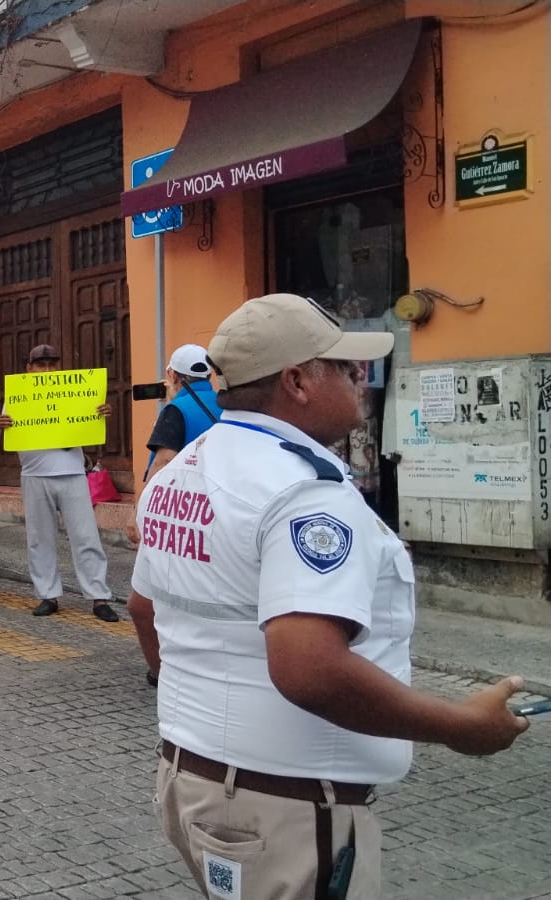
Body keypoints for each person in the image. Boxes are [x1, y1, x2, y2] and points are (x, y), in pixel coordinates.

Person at [128, 293, 530, 899]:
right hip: (285, 808)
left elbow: (144, 609)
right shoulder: (304, 492)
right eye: (344, 366)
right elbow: (309, 670)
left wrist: (212, 712)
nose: (360, 378)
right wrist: (459, 726)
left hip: (193, 777)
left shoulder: (179, 474)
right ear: (296, 382)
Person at [0, 344, 118, 622]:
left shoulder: (74, 390)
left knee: (86, 536)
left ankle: (99, 596)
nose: (47, 370)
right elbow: (3, 444)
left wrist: (101, 413)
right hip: (35, 475)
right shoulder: (17, 396)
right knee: (40, 538)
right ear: (29, 368)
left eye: (52, 364)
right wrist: (2, 427)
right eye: (41, 365)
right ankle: (48, 595)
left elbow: (92, 427)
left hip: (72, 473)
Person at [144, 343, 219, 482]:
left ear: (173, 376)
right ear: (208, 375)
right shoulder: (223, 402)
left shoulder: (175, 410)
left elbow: (163, 462)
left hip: (189, 488)